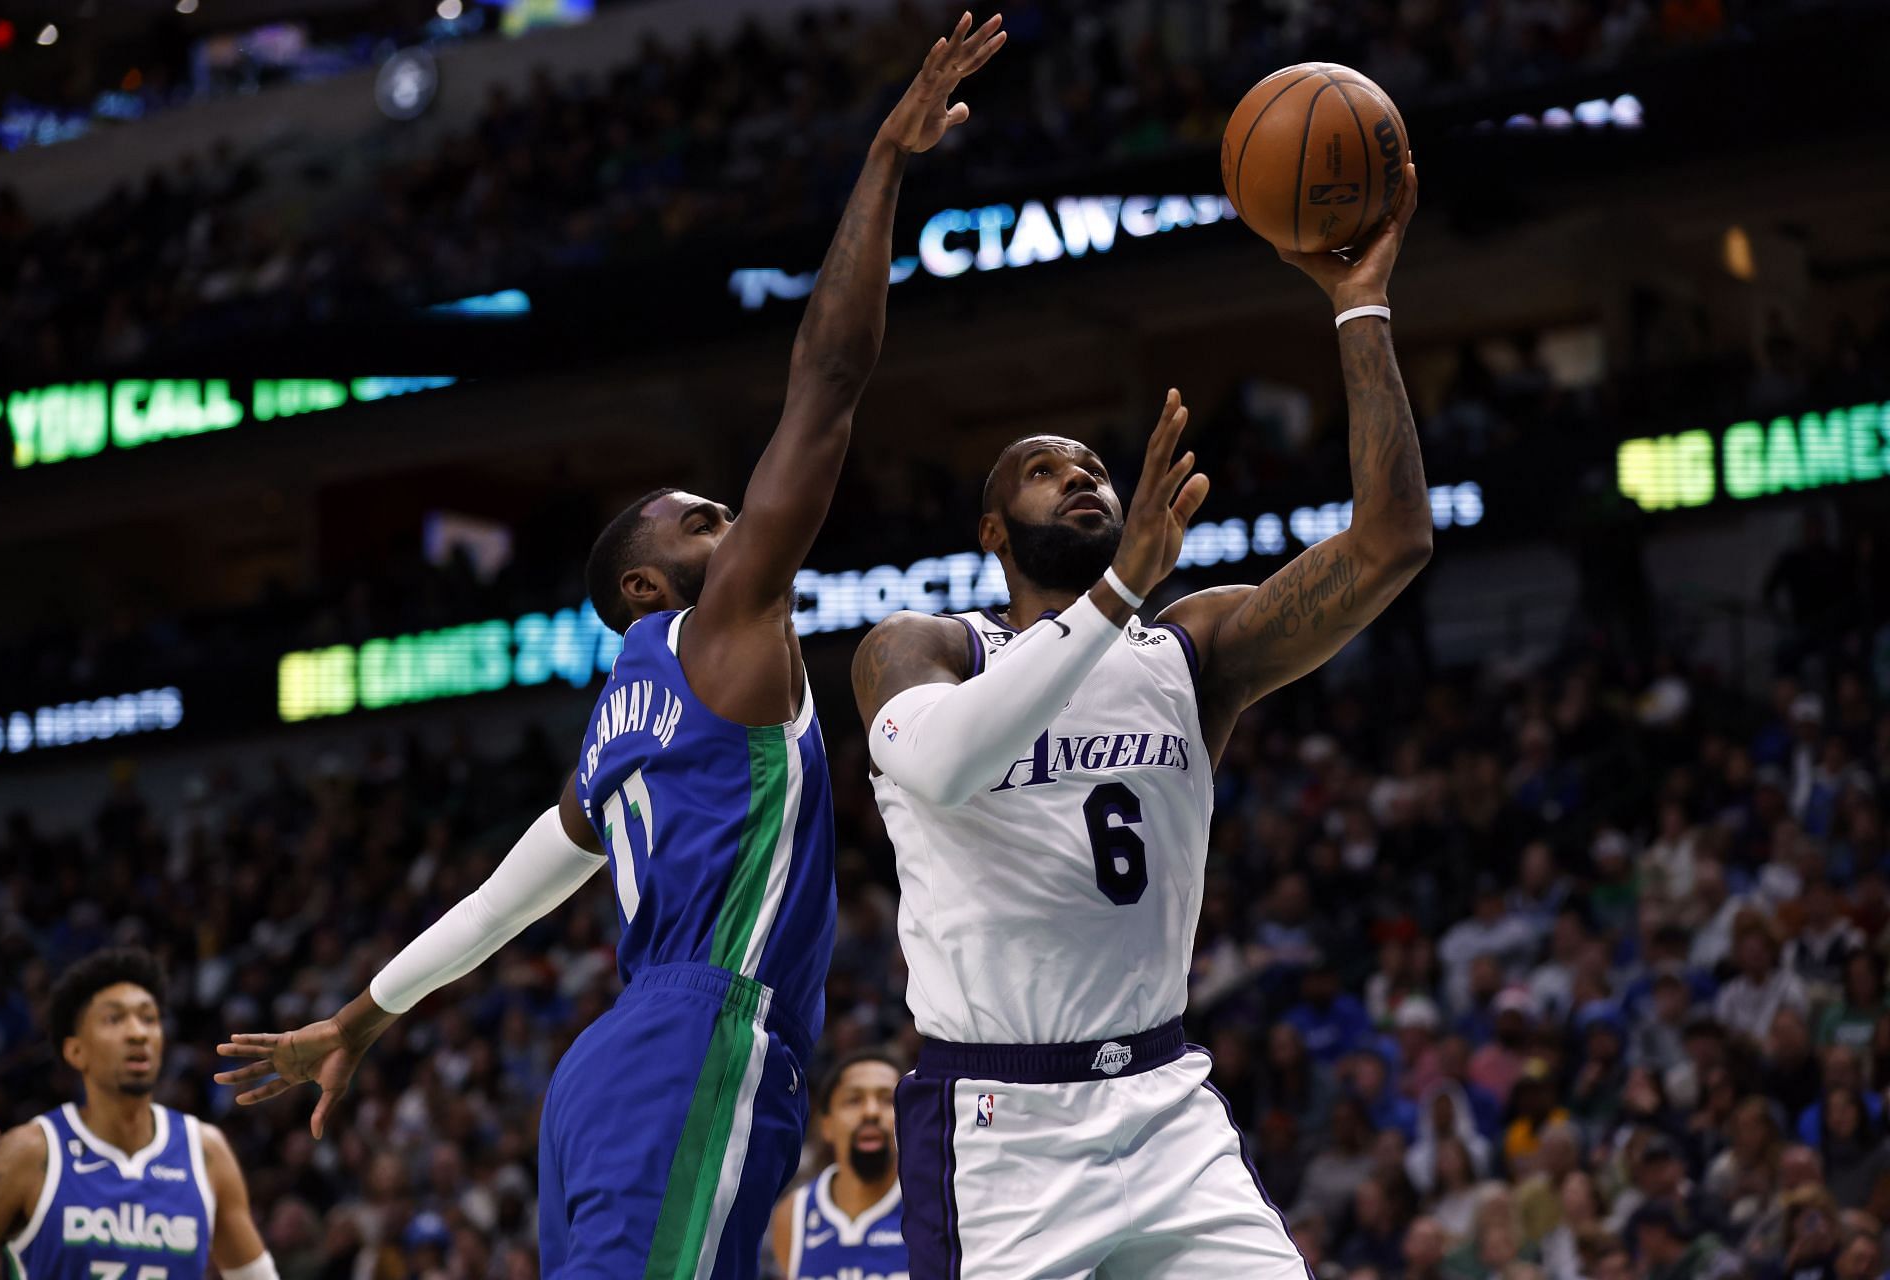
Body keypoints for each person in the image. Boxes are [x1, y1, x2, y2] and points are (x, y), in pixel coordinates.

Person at [210, 18, 1007, 1280]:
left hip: (603, 1074)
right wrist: (884, 164)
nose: (733, 519)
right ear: (648, 580)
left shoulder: (609, 738)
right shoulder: (717, 628)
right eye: (703, 518)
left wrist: (363, 1017)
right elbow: (829, 376)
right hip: (702, 1033)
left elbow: (496, 903)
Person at [853, 163, 1431, 1274]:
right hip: (999, 1124)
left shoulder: (1190, 649)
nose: (1077, 475)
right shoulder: (924, 647)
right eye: (1041, 469)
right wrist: (1116, 590)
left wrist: (1358, 305)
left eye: (1094, 467)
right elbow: (939, 764)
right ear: (990, 529)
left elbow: (1392, 541)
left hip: (1166, 1102)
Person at [0, 949, 273, 1280]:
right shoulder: (29, 1152)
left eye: (148, 1018)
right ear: (75, 1050)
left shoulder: (206, 1152)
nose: (137, 1033)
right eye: (114, 1019)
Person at [768, 1051, 907, 1280]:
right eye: (854, 1100)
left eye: (887, 1100)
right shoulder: (793, 1213)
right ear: (827, 1125)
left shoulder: (935, 1207)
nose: (870, 1112)